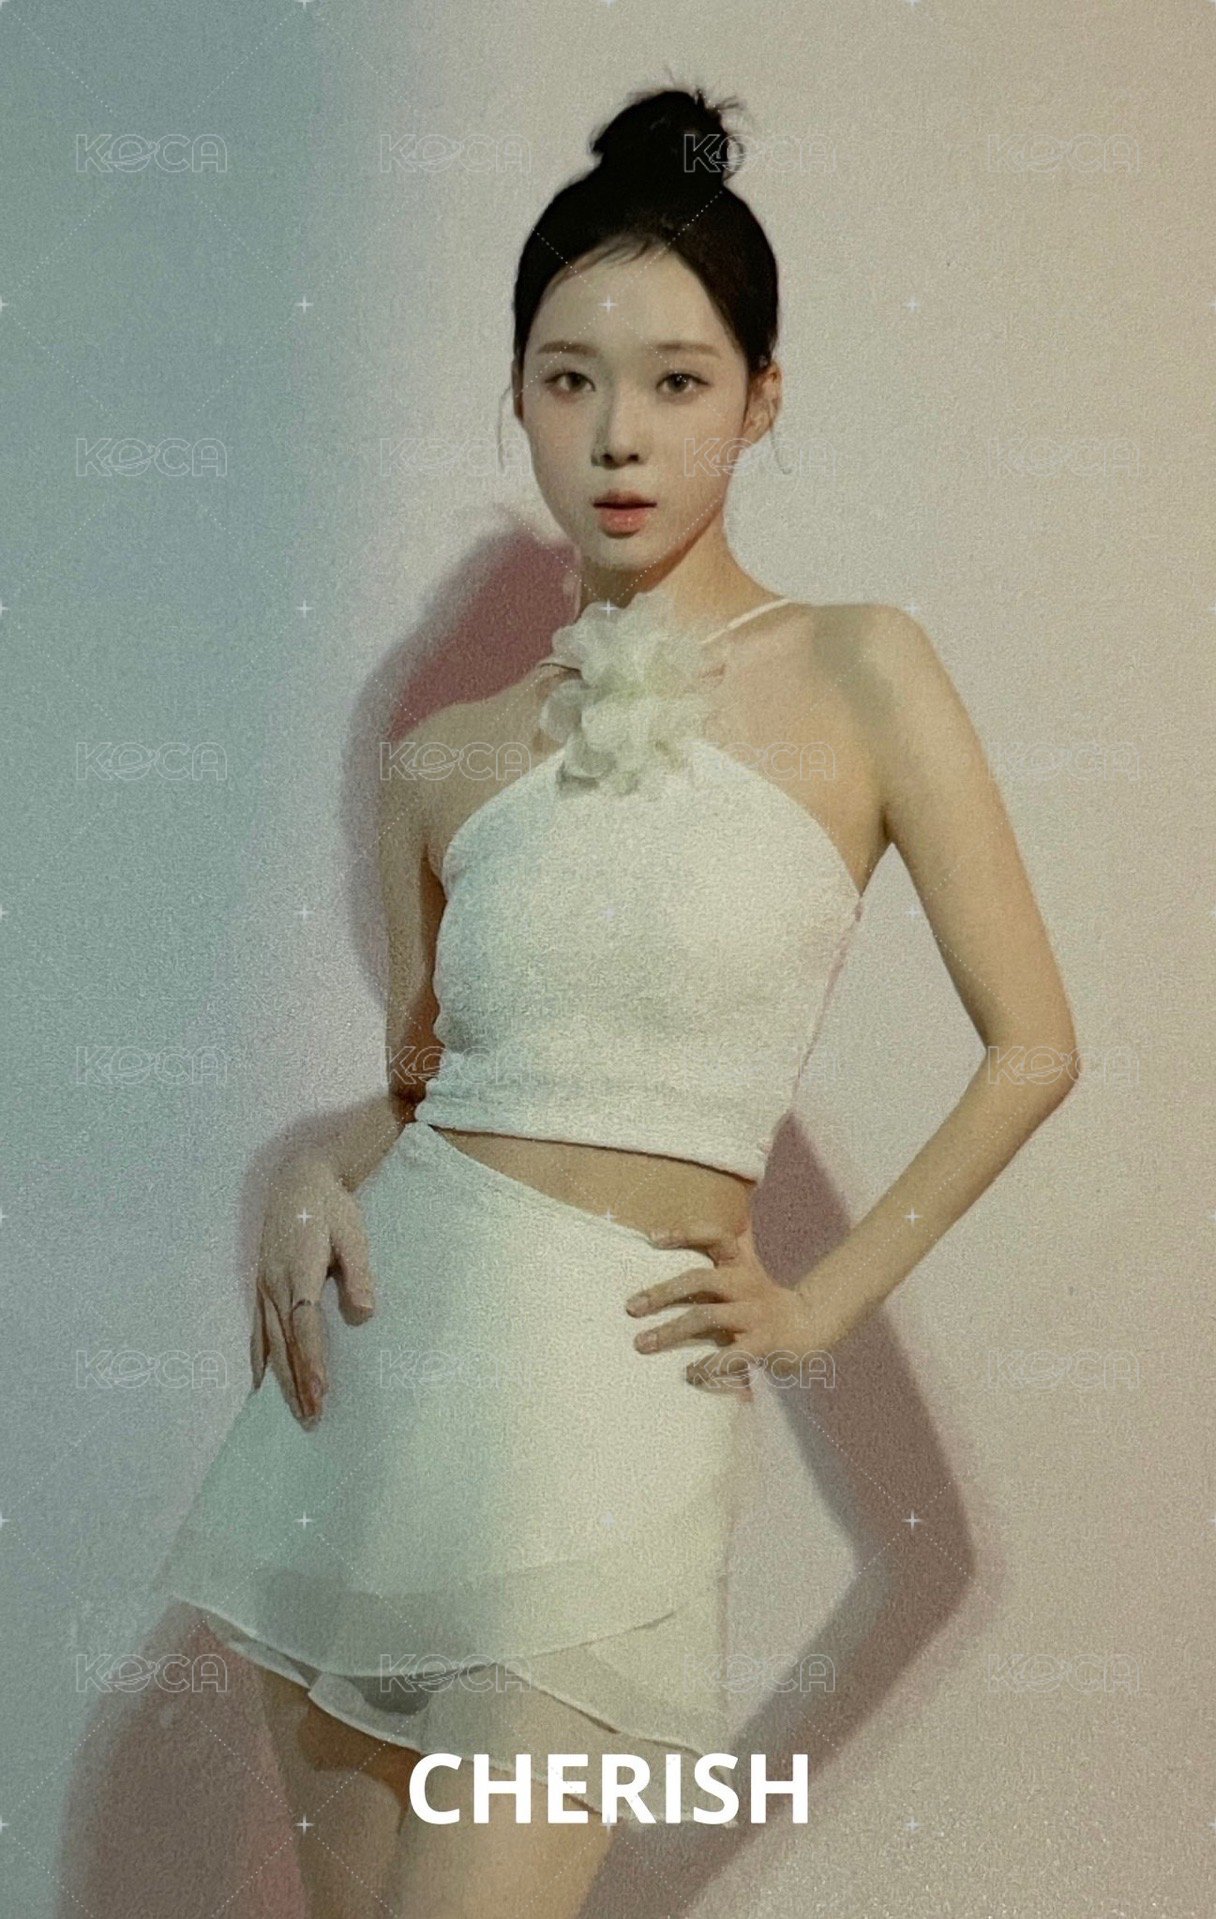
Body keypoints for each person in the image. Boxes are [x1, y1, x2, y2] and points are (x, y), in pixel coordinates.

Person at [152, 81, 1080, 1919]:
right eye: (570, 379)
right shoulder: (443, 759)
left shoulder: (864, 667)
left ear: (763, 397)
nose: (619, 434)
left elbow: (1034, 1047)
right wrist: (314, 1174)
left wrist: (818, 1304)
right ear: (517, 397)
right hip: (375, 1395)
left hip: (619, 1408)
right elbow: (428, 1092)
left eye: (677, 380)